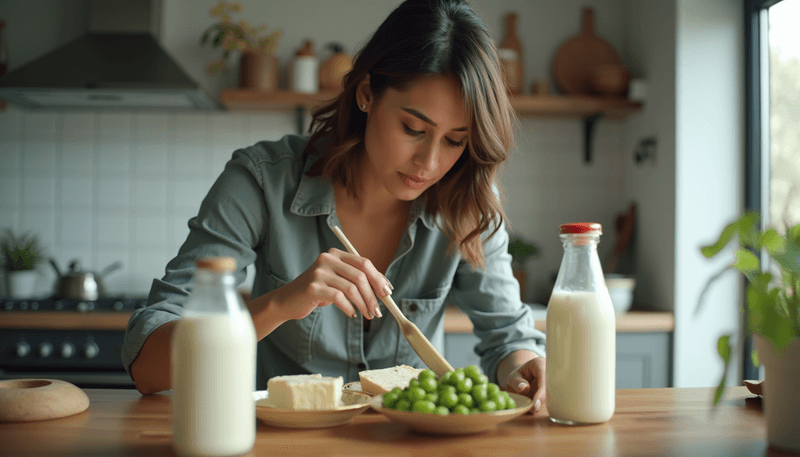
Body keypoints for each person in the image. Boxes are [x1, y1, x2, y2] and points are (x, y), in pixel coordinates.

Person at [122, 0, 547, 411]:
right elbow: (147, 366)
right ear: (366, 93)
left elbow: (508, 339)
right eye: (413, 128)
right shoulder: (262, 180)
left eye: (456, 140)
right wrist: (278, 305)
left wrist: (524, 368)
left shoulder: (467, 203)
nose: (430, 163)